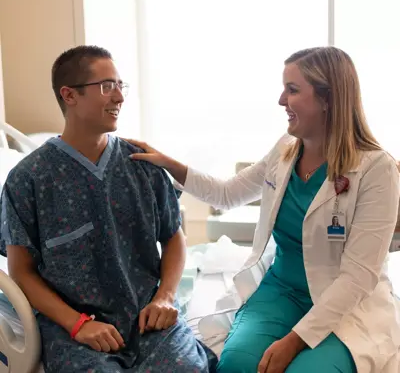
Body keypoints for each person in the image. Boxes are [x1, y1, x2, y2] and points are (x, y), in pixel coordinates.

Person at [126, 47, 400, 373]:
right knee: (237, 364)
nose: (281, 100)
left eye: (293, 89)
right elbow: (227, 193)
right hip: (282, 290)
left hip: (345, 306)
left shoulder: (376, 169)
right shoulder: (286, 149)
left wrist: (294, 341)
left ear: (328, 99)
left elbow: (357, 278)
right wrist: (168, 163)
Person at [0, 45, 217, 373]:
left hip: (148, 319)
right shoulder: (29, 179)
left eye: (120, 85)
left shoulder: (142, 165)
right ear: (69, 95)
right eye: (106, 86)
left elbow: (174, 237)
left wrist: (165, 297)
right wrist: (77, 324)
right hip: (74, 330)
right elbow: (22, 272)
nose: (119, 97)